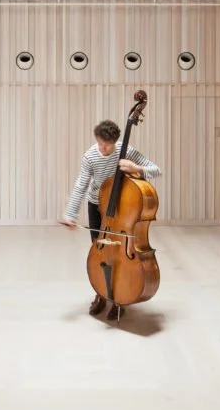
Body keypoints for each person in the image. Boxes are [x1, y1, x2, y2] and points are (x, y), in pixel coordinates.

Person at [61, 118, 161, 319]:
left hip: (122, 208)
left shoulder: (126, 151)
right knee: (100, 253)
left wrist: (136, 168)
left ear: (115, 141)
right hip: (97, 205)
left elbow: (156, 170)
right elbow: (81, 184)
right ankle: (101, 293)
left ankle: (119, 299)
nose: (103, 148)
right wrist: (70, 214)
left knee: (119, 253)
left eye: (108, 145)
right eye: (100, 143)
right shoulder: (90, 156)